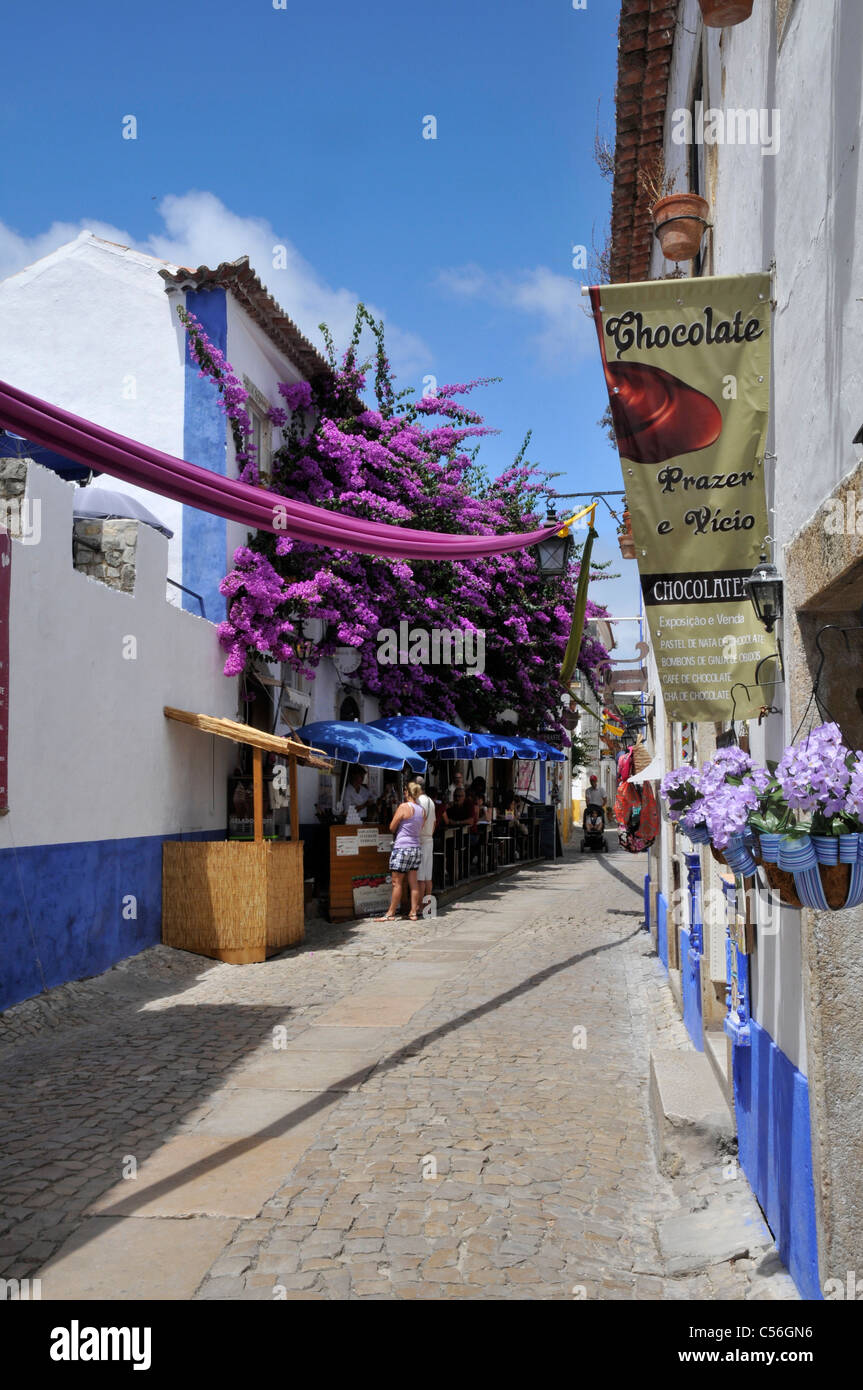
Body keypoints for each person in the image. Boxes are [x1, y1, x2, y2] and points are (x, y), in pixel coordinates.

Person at [376, 782, 425, 922]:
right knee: (413, 883)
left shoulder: (403, 807)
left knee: (397, 883)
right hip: (416, 848)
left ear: (407, 793)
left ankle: (390, 913)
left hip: (402, 847)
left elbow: (392, 827)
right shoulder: (422, 810)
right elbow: (420, 827)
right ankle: (413, 912)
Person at [415, 775, 437, 911]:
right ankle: (428, 907)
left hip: (420, 839)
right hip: (429, 839)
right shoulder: (430, 801)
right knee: (428, 877)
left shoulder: (417, 801)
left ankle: (419, 907)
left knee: (420, 878)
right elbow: (434, 823)